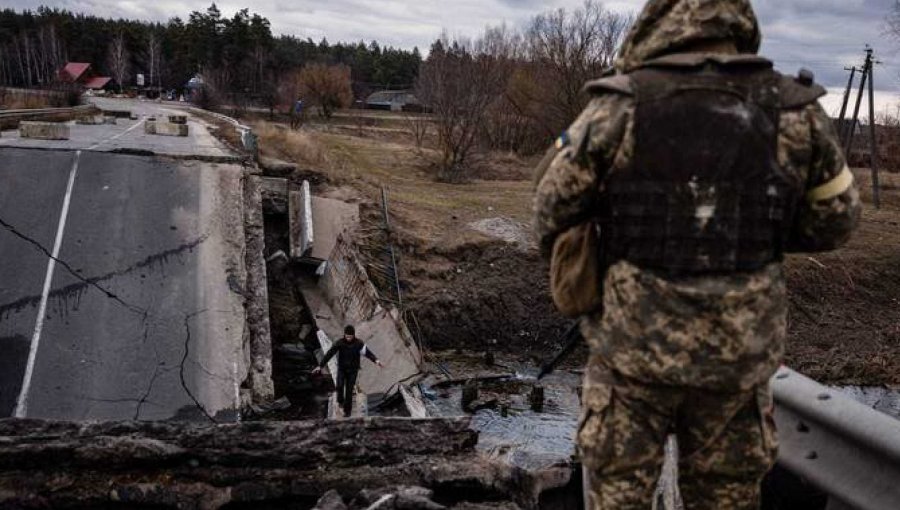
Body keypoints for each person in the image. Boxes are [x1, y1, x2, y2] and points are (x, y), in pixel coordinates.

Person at [533, 1, 861, 508]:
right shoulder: (795, 109)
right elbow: (837, 221)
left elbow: (550, 210)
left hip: (630, 355)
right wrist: (748, 228)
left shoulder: (618, 106)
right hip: (736, 360)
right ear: (740, 23)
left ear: (657, 25)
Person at [313, 325, 384, 417]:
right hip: (342, 369)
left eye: (350, 337)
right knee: (339, 386)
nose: (348, 339)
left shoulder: (359, 344)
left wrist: (376, 361)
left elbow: (368, 353)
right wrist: (320, 366)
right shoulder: (340, 343)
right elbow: (329, 354)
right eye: (347, 337)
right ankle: (340, 403)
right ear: (344, 335)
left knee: (349, 391)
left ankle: (347, 412)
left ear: (353, 335)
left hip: (353, 370)